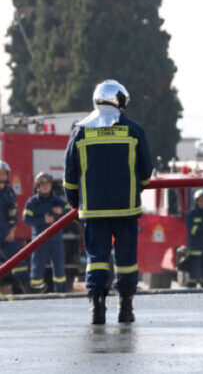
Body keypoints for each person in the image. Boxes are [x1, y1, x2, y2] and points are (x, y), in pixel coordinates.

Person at [64, 80, 153, 324]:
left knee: (97, 259)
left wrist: (76, 204)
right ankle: (125, 307)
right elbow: (146, 171)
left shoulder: (80, 131)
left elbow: (70, 176)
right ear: (121, 100)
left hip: (93, 210)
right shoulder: (134, 130)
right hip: (126, 208)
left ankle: (97, 308)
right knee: (126, 260)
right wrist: (134, 189)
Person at [24, 172, 71, 293]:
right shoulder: (32, 202)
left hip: (56, 240)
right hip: (39, 240)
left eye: (48, 184)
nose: (45, 186)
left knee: (59, 267)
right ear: (37, 186)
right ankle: (35, 291)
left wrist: (62, 210)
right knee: (37, 266)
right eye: (42, 184)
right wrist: (43, 220)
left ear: (51, 185)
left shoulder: (58, 201)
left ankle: (60, 291)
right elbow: (26, 219)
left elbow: (71, 211)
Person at [0, 161, 30, 294]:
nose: (2, 176)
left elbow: (13, 211)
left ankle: (26, 289)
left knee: (19, 260)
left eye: (4, 174)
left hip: (7, 235)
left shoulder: (9, 191)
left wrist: (12, 229)